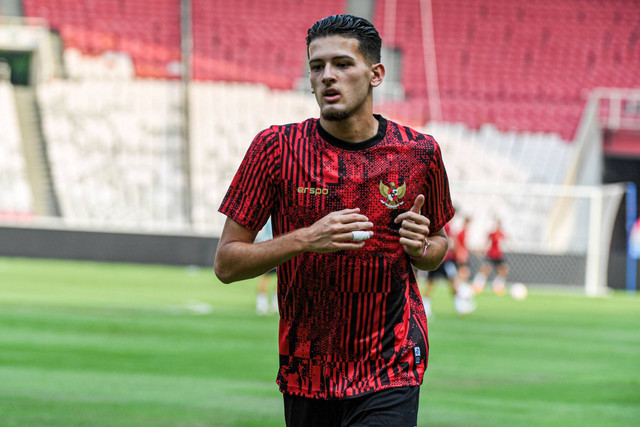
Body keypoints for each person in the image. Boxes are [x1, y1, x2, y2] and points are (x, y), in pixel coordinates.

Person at [214, 14, 454, 427]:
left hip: (391, 362)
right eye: (317, 66)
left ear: (376, 74)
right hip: (307, 367)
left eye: (342, 64)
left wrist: (423, 248)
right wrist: (305, 239)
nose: (327, 76)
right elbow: (227, 264)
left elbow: (437, 245)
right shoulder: (276, 149)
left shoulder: (419, 152)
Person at [471, 218, 509, 295]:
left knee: (504, 269)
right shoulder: (492, 233)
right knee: (485, 269)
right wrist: (481, 249)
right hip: (491, 254)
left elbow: (505, 241)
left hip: (499, 255)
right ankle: (478, 284)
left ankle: (498, 285)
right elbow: (486, 242)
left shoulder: (502, 234)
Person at [254, 219, 278, 315]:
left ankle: (263, 304)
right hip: (275, 247)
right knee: (275, 277)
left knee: (267, 277)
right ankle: (269, 303)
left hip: (267, 246)